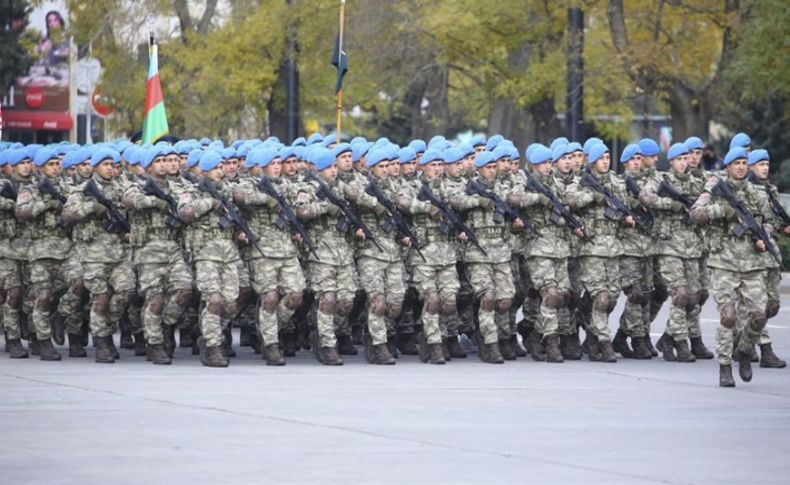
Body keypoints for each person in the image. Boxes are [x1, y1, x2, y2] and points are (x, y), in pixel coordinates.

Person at [690, 146, 773, 387]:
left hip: (753, 264)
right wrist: (723, 211)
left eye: (743, 163)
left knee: (759, 316)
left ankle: (745, 350)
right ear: (728, 166)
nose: (740, 167)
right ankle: (725, 366)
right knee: (728, 316)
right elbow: (695, 213)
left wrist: (762, 237)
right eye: (735, 163)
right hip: (724, 262)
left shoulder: (756, 194)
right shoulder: (715, 189)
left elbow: (769, 221)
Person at [233, 147, 306, 365]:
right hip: (262, 251)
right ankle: (271, 344)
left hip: (286, 250)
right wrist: (267, 199)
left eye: (278, 163)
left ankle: (267, 327)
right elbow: (240, 196)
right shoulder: (249, 185)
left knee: (296, 295)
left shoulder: (287, 185)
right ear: (262, 166)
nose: (277, 167)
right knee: (270, 297)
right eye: (273, 164)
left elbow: (301, 203)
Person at [62, 147, 135, 364]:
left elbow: (134, 201)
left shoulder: (123, 187)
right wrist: (92, 207)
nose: (111, 169)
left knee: (126, 291)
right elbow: (68, 214)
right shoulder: (82, 190)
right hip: (92, 255)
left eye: (113, 165)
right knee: (100, 298)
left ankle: (104, 329)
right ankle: (103, 342)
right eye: (106, 165)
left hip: (119, 253)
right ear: (94, 167)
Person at [122, 146, 193, 365]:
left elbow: (189, 205)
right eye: (159, 160)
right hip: (148, 252)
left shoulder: (180, 186)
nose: (164, 164)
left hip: (172, 249)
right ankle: (154, 344)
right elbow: (130, 200)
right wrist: (156, 202)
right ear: (149, 165)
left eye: (167, 160)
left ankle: (164, 324)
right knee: (155, 298)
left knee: (185, 289)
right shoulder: (137, 186)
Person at [565, 143, 634, 362]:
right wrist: (593, 196)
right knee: (601, 297)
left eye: (607, 157)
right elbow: (571, 200)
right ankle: (605, 343)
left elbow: (624, 208)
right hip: (592, 248)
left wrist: (627, 219)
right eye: (601, 158)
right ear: (592, 161)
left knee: (612, 298)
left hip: (613, 248)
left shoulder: (616, 182)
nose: (605, 161)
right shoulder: (579, 182)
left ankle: (591, 336)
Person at [639, 143, 705, 362]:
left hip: (692, 247)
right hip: (669, 247)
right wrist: (671, 205)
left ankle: (668, 338)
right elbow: (645, 197)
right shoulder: (661, 180)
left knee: (693, 297)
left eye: (687, 158)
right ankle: (681, 342)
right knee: (680, 295)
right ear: (672, 161)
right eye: (680, 159)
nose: (685, 162)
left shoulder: (698, 182)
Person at [177, 150, 241, 368]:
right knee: (213, 300)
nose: (220, 171)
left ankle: (209, 334)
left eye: (221, 167)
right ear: (204, 171)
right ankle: (213, 345)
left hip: (229, 254)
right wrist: (210, 203)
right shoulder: (192, 191)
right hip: (205, 254)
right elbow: (185, 213)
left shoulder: (229, 189)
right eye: (216, 167)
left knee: (231, 304)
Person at [744, 149, 787, 368]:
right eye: (760, 164)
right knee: (758, 305)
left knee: (772, 305)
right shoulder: (747, 190)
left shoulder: (770, 190)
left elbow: (774, 220)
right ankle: (766, 350)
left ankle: (744, 342)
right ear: (750, 166)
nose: (765, 167)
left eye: (767, 163)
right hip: (752, 254)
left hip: (770, 252)